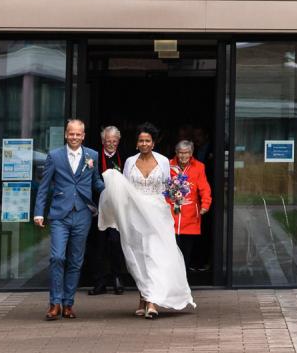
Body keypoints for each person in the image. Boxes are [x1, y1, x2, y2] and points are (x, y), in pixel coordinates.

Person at [100, 123, 193, 319]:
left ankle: (152, 301)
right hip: (135, 215)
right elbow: (123, 190)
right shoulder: (129, 162)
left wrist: (177, 195)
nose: (144, 144)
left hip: (157, 214)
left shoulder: (163, 162)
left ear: (153, 142)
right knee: (139, 257)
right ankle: (143, 298)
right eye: (141, 140)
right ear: (136, 143)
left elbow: (168, 186)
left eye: (147, 141)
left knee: (155, 255)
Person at [34, 118, 103, 321]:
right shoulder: (54, 156)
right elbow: (44, 186)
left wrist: (112, 187)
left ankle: (68, 304)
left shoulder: (93, 156)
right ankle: (54, 303)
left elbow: (96, 181)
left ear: (83, 135)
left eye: (78, 134)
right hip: (59, 215)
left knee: (75, 261)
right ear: (66, 134)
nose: (74, 137)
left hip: (82, 214)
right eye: (71, 133)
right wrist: (39, 212)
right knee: (57, 257)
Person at [86, 126, 128, 295]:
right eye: (108, 141)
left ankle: (117, 278)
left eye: (114, 141)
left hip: (118, 208)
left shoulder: (124, 157)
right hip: (98, 207)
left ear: (118, 141)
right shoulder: (94, 157)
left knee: (116, 243)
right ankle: (99, 282)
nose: (111, 144)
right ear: (103, 141)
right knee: (99, 245)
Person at [169, 140, 212, 272]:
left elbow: (204, 188)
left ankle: (183, 280)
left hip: (190, 214)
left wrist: (205, 204)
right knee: (171, 250)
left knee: (186, 250)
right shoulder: (167, 165)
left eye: (186, 153)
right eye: (180, 153)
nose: (183, 156)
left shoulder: (199, 166)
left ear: (191, 153)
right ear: (176, 153)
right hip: (171, 213)